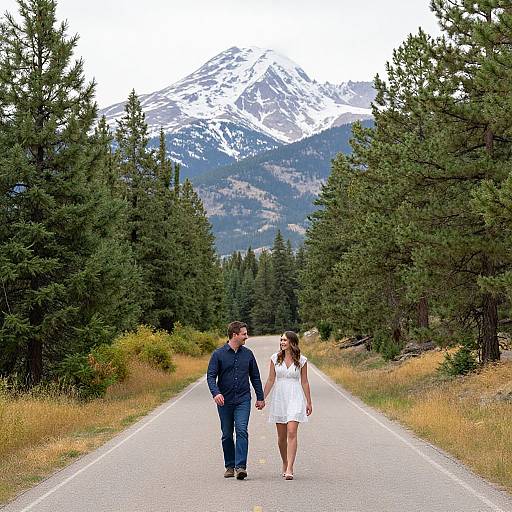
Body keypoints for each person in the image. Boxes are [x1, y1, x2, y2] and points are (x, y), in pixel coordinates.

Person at [207, 321, 265, 480]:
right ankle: (230, 466)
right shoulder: (218, 354)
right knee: (226, 434)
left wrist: (260, 397)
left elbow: (255, 377)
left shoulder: (248, 354)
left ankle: (241, 467)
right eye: (244, 334)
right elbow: (211, 376)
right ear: (235, 335)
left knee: (241, 430)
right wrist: (216, 393)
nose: (247, 336)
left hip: (243, 400)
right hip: (224, 401)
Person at [263, 330, 312, 480]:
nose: (282, 343)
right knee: (281, 436)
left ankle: (290, 467)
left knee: (292, 431)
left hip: (295, 396)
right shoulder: (275, 358)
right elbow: (271, 380)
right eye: (281, 340)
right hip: (280, 397)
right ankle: (284, 462)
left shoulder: (302, 360)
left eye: (285, 340)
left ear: (292, 342)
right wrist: (262, 398)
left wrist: (309, 401)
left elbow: (304, 381)